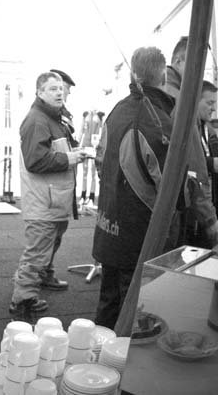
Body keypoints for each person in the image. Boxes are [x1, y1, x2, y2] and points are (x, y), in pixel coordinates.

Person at [92, 47, 217, 329]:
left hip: (109, 225)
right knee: (137, 316)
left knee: (108, 308)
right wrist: (199, 213)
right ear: (162, 76)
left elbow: (100, 162)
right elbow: (175, 187)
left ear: (133, 75)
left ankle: (98, 354)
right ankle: (119, 355)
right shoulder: (158, 119)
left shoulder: (117, 109)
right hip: (140, 234)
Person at [9, 72, 86, 323]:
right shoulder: (37, 121)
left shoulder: (53, 118)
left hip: (53, 199)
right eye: (53, 88)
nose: (60, 92)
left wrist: (73, 152)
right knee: (37, 252)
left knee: (46, 246)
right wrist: (70, 158)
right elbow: (35, 161)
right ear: (39, 92)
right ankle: (22, 300)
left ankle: (36, 284)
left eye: (61, 88)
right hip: (43, 201)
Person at [161, 35, 218, 251]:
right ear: (177, 61)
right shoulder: (180, 100)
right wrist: (210, 220)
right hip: (173, 210)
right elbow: (195, 169)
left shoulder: (156, 93)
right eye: (196, 67)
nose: (199, 76)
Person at [196, 80, 218, 247]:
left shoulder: (207, 130)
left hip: (209, 208)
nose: (214, 109)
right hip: (198, 217)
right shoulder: (191, 130)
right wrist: (211, 164)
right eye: (209, 103)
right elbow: (192, 166)